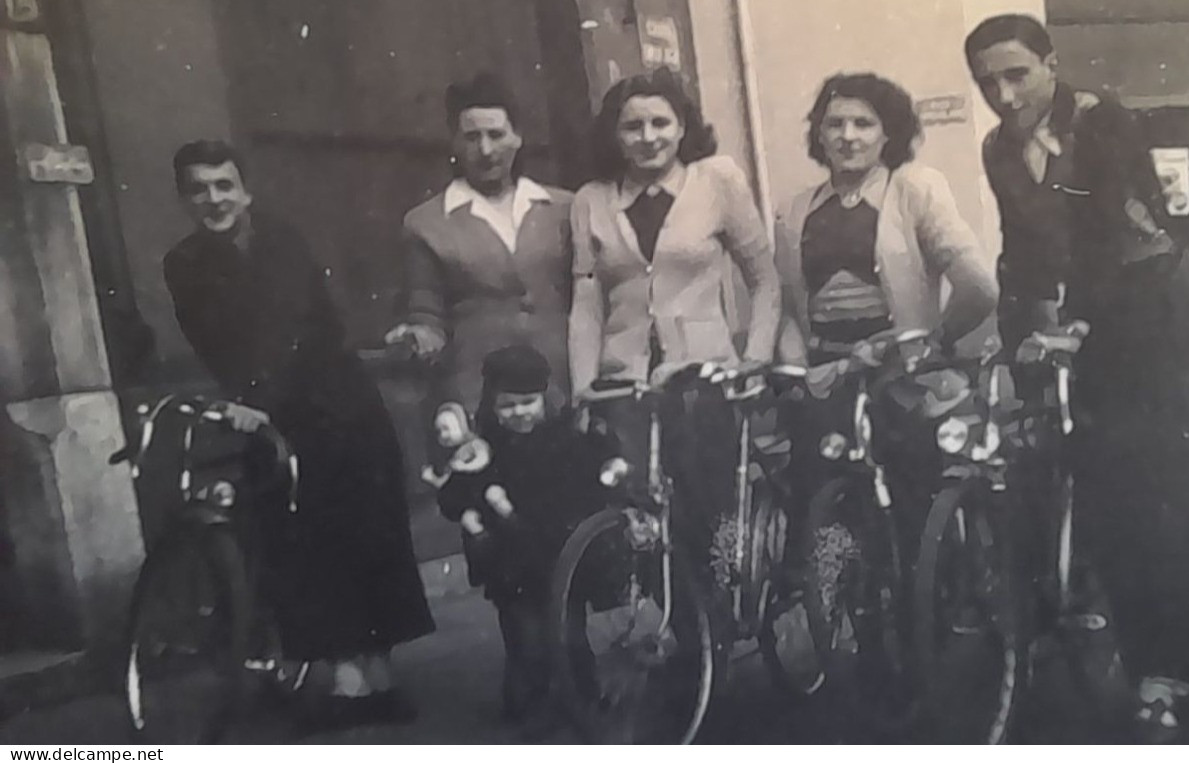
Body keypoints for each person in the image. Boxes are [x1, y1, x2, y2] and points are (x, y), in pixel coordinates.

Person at [964, 14, 1189, 737]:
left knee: (1172, 499)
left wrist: (1075, 323)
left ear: (1050, 63)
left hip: (1155, 318)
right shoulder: (998, 148)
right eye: (988, 81)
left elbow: (1106, 226)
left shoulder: (1100, 120)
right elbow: (1022, 251)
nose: (1005, 94)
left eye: (1017, 74)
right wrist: (1018, 336)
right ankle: (1141, 664)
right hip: (1087, 330)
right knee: (1108, 503)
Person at [163, 140, 433, 731]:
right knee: (303, 546)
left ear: (246, 191)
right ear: (184, 198)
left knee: (367, 538)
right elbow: (213, 341)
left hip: (338, 407)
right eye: (199, 189)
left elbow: (287, 331)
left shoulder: (280, 242)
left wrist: (253, 400)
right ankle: (347, 680)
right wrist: (243, 401)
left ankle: (375, 680)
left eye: (224, 185)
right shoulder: (182, 264)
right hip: (272, 417)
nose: (214, 199)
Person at [774, 73, 1000, 554]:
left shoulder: (914, 190)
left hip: (902, 378)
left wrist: (933, 343)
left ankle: (935, 608)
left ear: (889, 133)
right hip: (830, 377)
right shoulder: (797, 210)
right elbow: (791, 307)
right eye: (834, 124)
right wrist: (794, 370)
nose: (848, 136)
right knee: (833, 511)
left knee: (913, 505)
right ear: (818, 134)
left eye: (863, 123)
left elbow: (978, 285)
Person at [568, 67, 780, 567]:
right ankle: (683, 633)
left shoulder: (717, 180)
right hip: (627, 385)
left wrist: (754, 358)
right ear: (614, 135)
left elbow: (764, 279)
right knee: (643, 512)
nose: (648, 138)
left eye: (661, 123)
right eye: (633, 127)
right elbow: (587, 300)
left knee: (710, 509)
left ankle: (723, 626)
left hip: (705, 378)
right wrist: (584, 387)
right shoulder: (591, 200)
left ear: (683, 126)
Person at [433, 344, 613, 729]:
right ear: (492, 406)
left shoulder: (565, 439)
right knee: (524, 636)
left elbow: (592, 471)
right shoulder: (483, 449)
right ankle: (529, 704)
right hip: (509, 558)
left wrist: (608, 466)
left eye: (528, 402)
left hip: (560, 551)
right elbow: (455, 493)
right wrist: (471, 511)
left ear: (545, 398)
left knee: (570, 630)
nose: (519, 414)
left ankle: (582, 695)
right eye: (507, 406)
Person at [386, 73, 574, 413]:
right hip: (480, 392)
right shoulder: (426, 223)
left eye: (496, 135)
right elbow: (426, 312)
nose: (485, 150)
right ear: (455, 143)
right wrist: (417, 336)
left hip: (560, 386)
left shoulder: (564, 208)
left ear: (518, 138)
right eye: (472, 137)